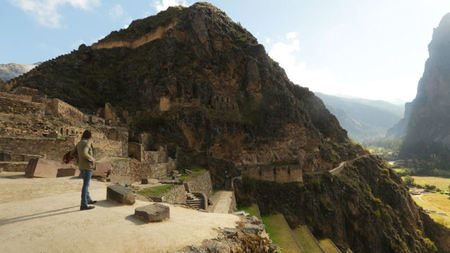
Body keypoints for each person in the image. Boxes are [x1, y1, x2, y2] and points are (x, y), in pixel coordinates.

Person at [71, 130, 97, 210]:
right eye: (92, 134)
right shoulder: (87, 143)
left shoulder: (79, 143)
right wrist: (92, 158)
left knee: (86, 184)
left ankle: (88, 200)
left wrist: (79, 158)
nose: (92, 136)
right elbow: (84, 153)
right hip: (87, 167)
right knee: (86, 185)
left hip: (81, 166)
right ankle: (83, 204)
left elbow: (72, 153)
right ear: (89, 135)